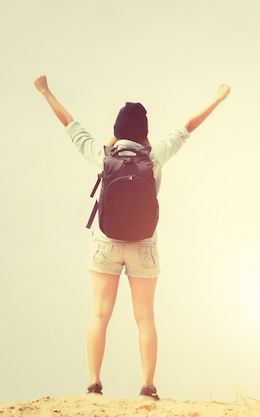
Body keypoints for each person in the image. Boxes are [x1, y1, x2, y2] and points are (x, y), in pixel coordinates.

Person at [33, 75, 231, 400]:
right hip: (143, 245)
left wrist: (45, 91)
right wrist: (218, 98)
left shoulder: (103, 156)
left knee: (99, 312)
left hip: (105, 243)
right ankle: (148, 387)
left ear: (117, 130)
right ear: (145, 133)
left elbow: (70, 124)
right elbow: (188, 127)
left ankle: (94, 384)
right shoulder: (154, 157)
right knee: (145, 317)